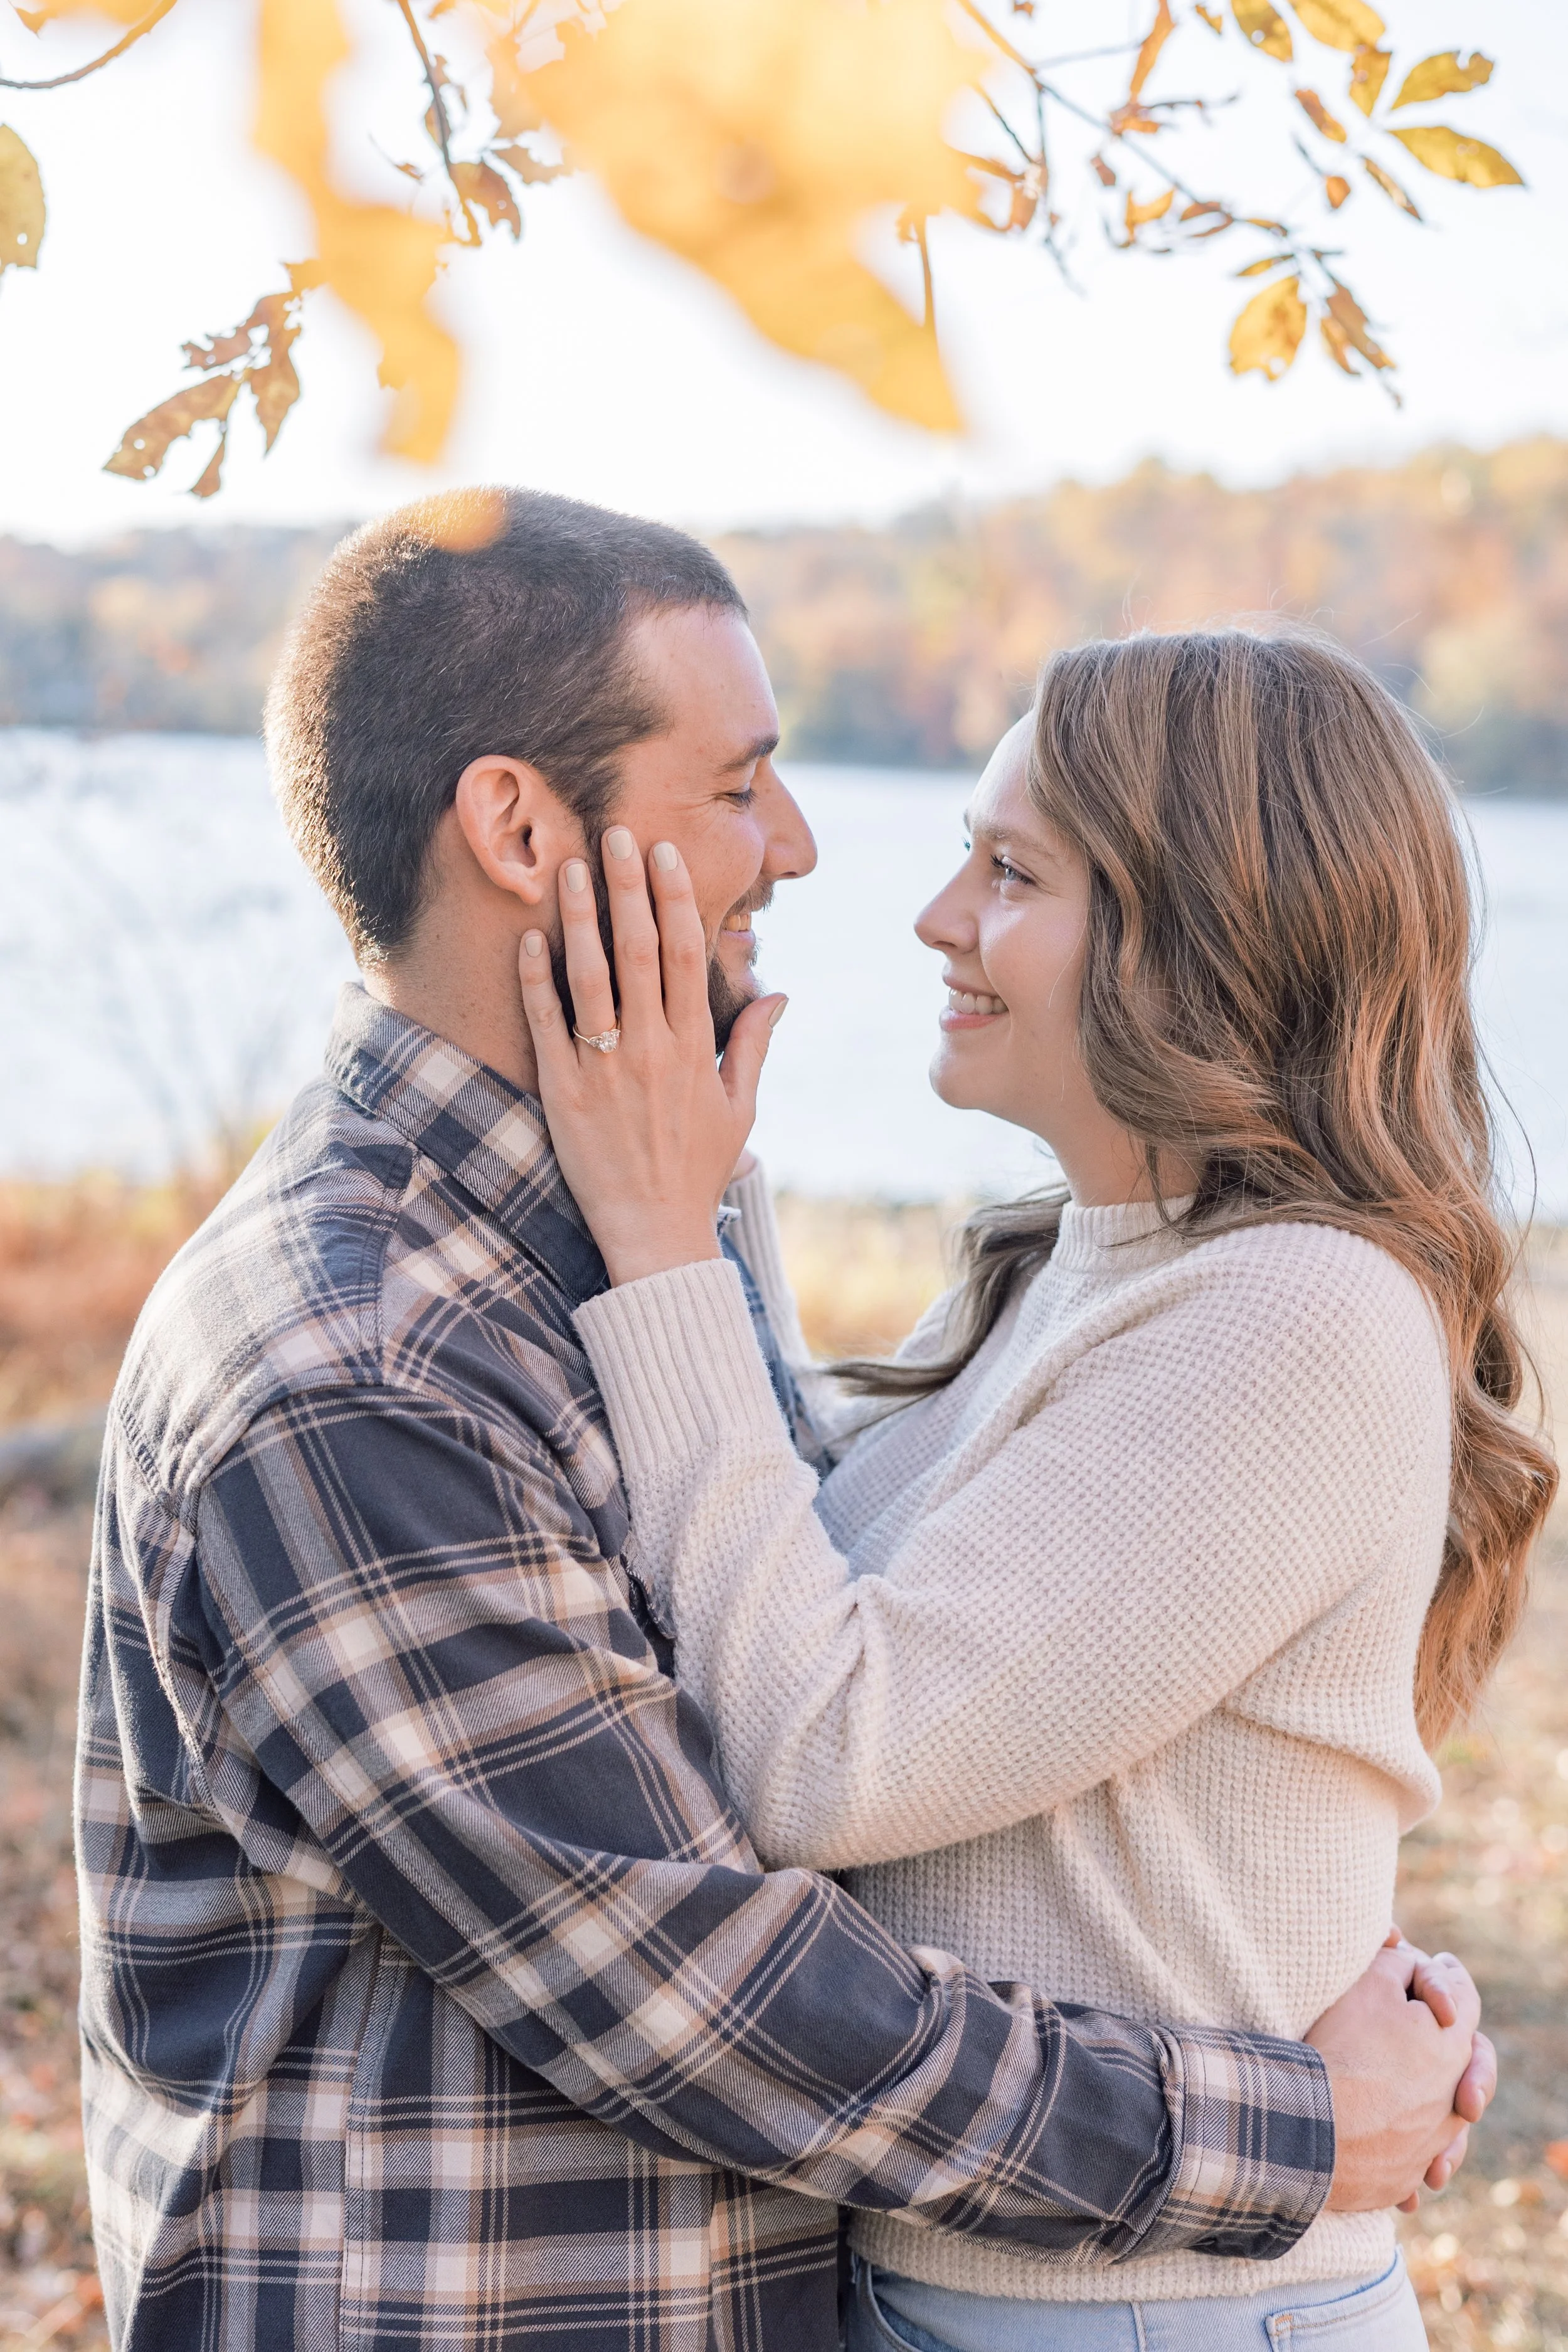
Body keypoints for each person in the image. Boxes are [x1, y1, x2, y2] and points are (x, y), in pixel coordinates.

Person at [77, 499, 1490, 2352]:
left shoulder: (628, 1216)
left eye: (1010, 866)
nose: (818, 852)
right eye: (742, 783)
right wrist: (1280, 2126)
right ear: (519, 829)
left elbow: (815, 1652)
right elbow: (695, 1978)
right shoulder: (361, 1359)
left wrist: (688, 1233)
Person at [516, 623, 1553, 2351]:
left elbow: (823, 1748)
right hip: (1013, 2289)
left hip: (1144, 2320)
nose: (938, 916)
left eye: (1010, 871)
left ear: (1201, 932)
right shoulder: (1080, 1261)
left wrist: (655, 1240)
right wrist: (701, 1181)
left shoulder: (1292, 1312)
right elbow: (778, 1547)